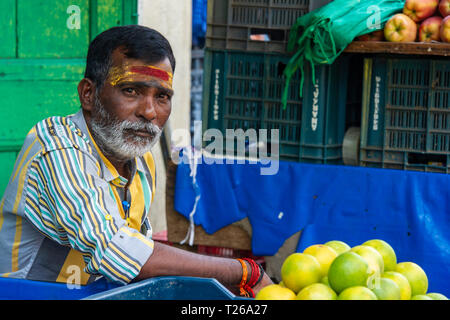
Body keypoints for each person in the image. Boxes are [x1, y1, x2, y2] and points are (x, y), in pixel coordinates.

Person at [0, 25, 272, 297]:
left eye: (162, 96)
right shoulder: (57, 148)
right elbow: (119, 252)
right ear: (88, 95)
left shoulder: (141, 160)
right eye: (131, 91)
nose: (149, 112)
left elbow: (139, 254)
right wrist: (244, 271)